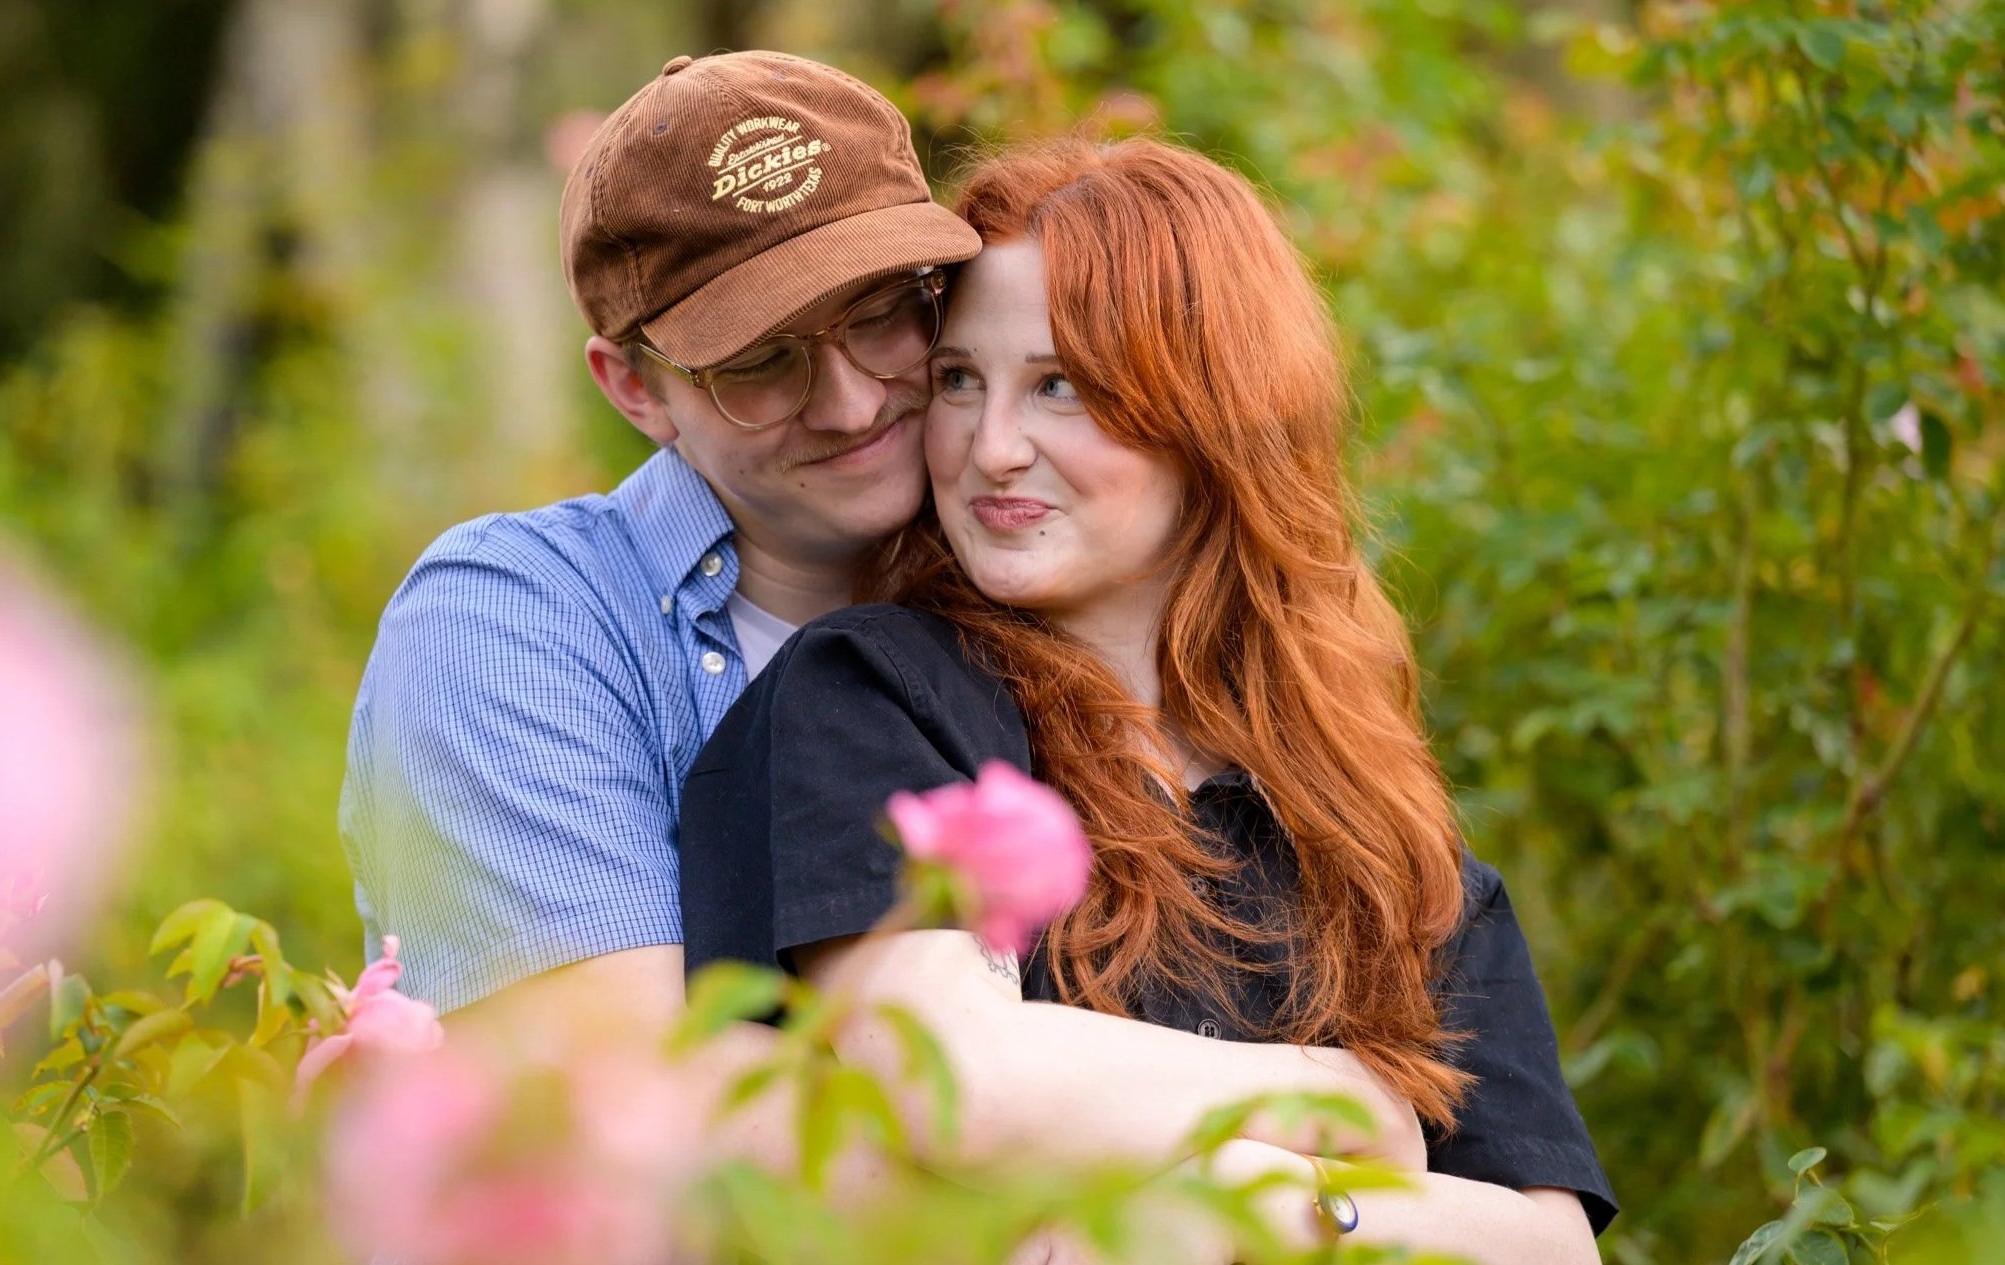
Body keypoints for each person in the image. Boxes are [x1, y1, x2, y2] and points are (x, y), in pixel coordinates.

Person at [341, 51, 1438, 1176]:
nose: (853, 400)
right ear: (635, 387)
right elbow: (635, 1135)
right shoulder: (520, 625)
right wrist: (1300, 1116)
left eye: (879, 316)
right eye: (762, 363)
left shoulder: (1051, 606)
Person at [678, 136, 1616, 1260]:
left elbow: (1550, 1242)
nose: (993, 447)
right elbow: (956, 1086)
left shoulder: (1368, 827)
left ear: (1210, 411)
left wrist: (1269, 1203)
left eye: (1060, 386)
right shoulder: (879, 695)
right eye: (960, 380)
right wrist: (1337, 1100)